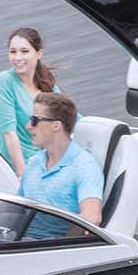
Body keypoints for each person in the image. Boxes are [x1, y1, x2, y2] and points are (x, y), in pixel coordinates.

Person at [16, 92, 104, 239]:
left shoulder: (84, 167)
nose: (28, 126)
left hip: (47, 250)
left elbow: (92, 216)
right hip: (17, 242)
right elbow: (16, 210)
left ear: (56, 125)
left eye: (35, 120)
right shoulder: (34, 162)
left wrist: (63, 247)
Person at [0, 28, 63, 174]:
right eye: (13, 52)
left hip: (47, 159)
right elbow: (9, 133)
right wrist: (22, 174)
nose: (17, 58)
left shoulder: (46, 82)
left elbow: (71, 118)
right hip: (20, 165)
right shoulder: (4, 81)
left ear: (39, 54)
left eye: (24, 51)